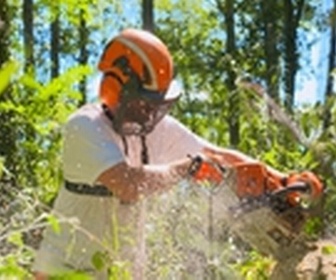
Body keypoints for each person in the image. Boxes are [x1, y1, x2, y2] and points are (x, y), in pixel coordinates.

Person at [32, 28, 322, 280]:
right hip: (65, 273)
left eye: (155, 105)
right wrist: (187, 168)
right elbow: (129, 184)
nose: (150, 114)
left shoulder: (152, 129)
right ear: (115, 87)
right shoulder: (84, 126)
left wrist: (277, 177)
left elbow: (212, 152)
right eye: (144, 103)